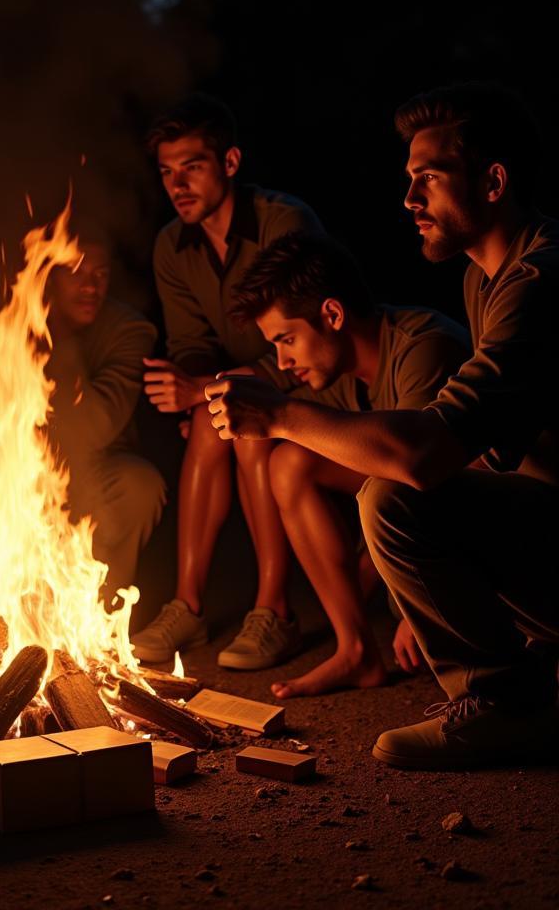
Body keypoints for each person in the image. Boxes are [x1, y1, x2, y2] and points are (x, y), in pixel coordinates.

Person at [207, 82, 559, 769]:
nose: (409, 200)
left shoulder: (538, 284)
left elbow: (430, 457)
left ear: (493, 182)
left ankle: (507, 704)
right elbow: (494, 456)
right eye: (408, 181)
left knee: (392, 497)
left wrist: (279, 414)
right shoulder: (484, 280)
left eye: (428, 179)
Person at [230, 232, 469, 697]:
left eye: (287, 339)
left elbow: (432, 475)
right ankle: (356, 651)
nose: (282, 359)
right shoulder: (339, 377)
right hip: (424, 513)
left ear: (333, 315)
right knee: (289, 463)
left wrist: (412, 612)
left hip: (504, 533)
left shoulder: (426, 349)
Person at [132, 94, 325, 668]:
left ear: (231, 163)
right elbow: (192, 345)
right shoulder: (172, 245)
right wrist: (189, 385)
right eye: (167, 171)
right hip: (234, 385)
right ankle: (187, 607)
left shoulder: (283, 222)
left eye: (192, 166)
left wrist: (207, 388)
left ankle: (274, 611)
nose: (177, 184)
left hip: (309, 378)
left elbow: (309, 335)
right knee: (208, 415)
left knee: (240, 422)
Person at [45, 232, 165, 599]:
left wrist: (61, 342)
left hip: (92, 468)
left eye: (101, 274)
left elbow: (95, 429)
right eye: (76, 273)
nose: (91, 287)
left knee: (140, 486)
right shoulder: (7, 321)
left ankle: (100, 620)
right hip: (16, 472)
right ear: (48, 275)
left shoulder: (128, 330)